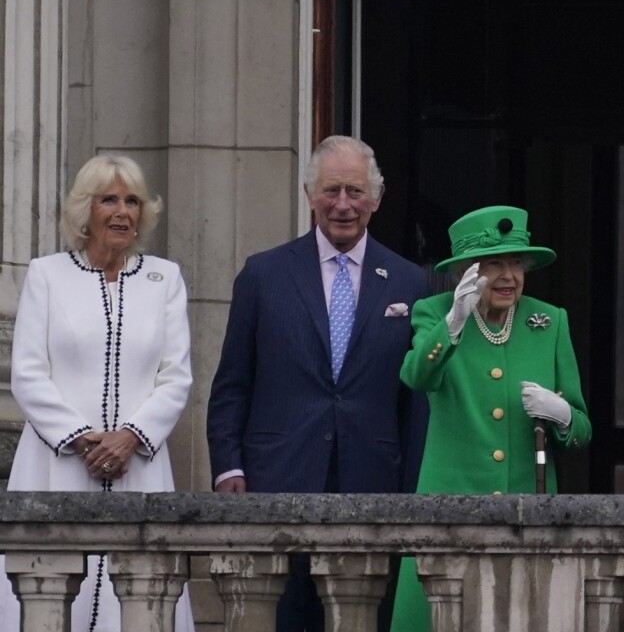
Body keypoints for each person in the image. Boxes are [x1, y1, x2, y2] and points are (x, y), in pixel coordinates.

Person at [206, 135, 429, 632]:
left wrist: (414, 491)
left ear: (376, 198)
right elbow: (232, 384)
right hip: (275, 480)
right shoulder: (263, 274)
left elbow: (415, 402)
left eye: (355, 191)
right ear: (310, 193)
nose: (343, 205)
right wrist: (227, 468)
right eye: (331, 190)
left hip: (373, 484)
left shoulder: (410, 282)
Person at [0, 155, 194, 631]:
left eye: (132, 200)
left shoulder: (164, 278)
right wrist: (84, 439)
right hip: (57, 465)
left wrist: (130, 437)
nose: (122, 211)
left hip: (139, 465)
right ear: (86, 210)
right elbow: (27, 374)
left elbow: (176, 377)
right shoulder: (47, 275)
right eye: (109, 199)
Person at [390, 205, 591, 631]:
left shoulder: (549, 321)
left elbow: (580, 432)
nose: (508, 276)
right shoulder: (435, 312)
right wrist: (453, 324)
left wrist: (561, 416)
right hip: (449, 514)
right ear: (466, 271)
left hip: (527, 521)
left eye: (516, 263)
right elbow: (416, 376)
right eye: (494, 264)